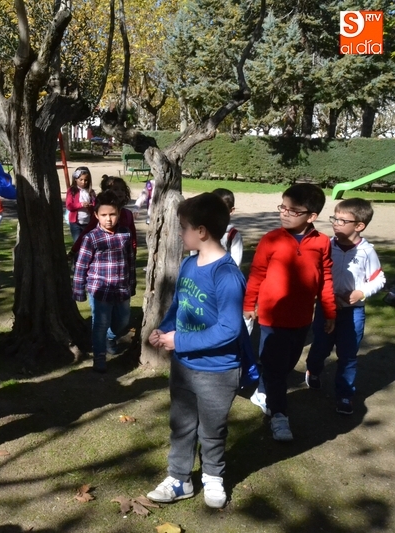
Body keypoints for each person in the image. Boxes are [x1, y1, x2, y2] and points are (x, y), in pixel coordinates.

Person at [146, 193, 246, 510]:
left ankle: (214, 477)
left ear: (201, 231)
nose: (180, 233)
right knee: (181, 424)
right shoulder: (189, 264)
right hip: (184, 366)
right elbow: (180, 306)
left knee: (212, 429)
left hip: (217, 371)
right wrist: (164, 329)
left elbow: (229, 330)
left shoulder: (227, 276)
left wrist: (181, 342)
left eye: (183, 227)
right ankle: (179, 478)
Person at [243, 183, 335, 441]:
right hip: (272, 318)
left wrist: (329, 311)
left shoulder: (322, 243)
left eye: (292, 210)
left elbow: (325, 279)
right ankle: (279, 415)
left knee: (285, 366)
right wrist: (249, 304)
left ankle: (263, 391)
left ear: (312, 216)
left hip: (303, 319)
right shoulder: (270, 239)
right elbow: (257, 273)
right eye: (282, 207)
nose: (284, 213)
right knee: (273, 367)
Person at [305, 198, 385, 415]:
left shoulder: (366, 251)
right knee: (321, 346)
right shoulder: (327, 245)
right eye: (334, 218)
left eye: (342, 220)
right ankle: (313, 370)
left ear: (359, 226)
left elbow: (379, 279)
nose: (335, 223)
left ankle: (344, 395)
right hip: (326, 308)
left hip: (353, 312)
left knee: (348, 355)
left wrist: (361, 292)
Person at [72, 190, 136, 373]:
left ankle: (110, 337)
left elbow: (130, 261)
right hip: (99, 289)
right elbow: (81, 266)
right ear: (96, 215)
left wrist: (131, 285)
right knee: (100, 323)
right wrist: (78, 290)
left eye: (113, 214)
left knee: (123, 321)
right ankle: (99, 357)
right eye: (104, 215)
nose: (109, 219)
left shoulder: (125, 234)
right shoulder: (91, 238)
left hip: (122, 287)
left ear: (119, 214)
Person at [65, 167, 94, 244]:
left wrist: (90, 206)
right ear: (75, 179)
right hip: (75, 223)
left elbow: (95, 205)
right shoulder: (72, 191)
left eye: (86, 180)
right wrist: (81, 204)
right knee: (77, 243)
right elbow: (69, 205)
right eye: (81, 179)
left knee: (88, 243)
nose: (83, 182)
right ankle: (77, 256)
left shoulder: (91, 192)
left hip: (88, 222)